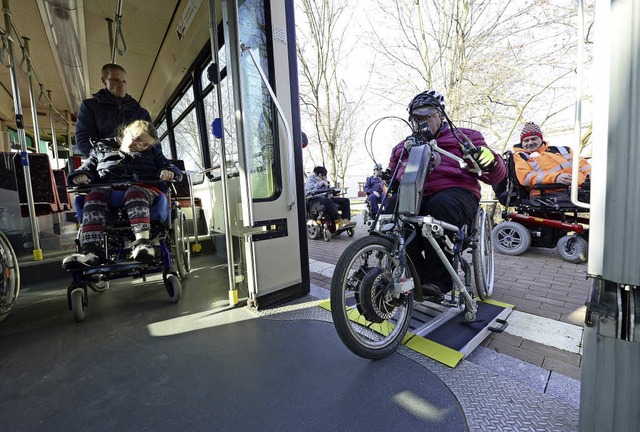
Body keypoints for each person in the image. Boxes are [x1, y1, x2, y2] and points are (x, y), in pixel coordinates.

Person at [387, 90, 506, 300]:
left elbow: (495, 174)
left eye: (427, 116)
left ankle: (437, 281)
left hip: (456, 192)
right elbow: (391, 176)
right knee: (393, 210)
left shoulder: (465, 137)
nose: (422, 122)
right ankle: (415, 276)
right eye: (417, 118)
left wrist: (490, 159)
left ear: (440, 115)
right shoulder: (403, 146)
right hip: (416, 194)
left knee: (440, 207)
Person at [62, 120, 183, 269]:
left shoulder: (152, 153)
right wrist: (80, 175)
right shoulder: (100, 149)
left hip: (143, 189)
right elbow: (87, 167)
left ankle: (142, 244)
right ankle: (90, 251)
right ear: (126, 132)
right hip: (107, 189)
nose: (139, 146)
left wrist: (168, 172)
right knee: (93, 196)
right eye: (137, 139)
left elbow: (172, 168)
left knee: (135, 191)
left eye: (144, 145)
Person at [75, 63, 152, 158]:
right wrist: (100, 160)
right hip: (103, 162)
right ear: (104, 81)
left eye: (124, 81)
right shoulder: (90, 106)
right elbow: (83, 139)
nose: (121, 85)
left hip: (136, 164)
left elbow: (153, 144)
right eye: (115, 80)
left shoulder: (141, 113)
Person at [513, 121, 591, 198]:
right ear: (521, 143)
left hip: (581, 188)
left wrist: (593, 179)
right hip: (548, 193)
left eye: (534, 139)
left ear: (541, 139)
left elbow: (584, 166)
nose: (530, 143)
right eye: (526, 140)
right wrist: (556, 178)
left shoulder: (563, 150)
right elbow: (526, 178)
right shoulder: (521, 156)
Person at [305, 166, 355, 230]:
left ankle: (346, 220)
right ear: (320, 174)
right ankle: (338, 221)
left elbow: (326, 189)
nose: (324, 177)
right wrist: (321, 183)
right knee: (328, 201)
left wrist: (332, 191)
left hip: (325, 197)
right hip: (314, 199)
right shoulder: (310, 179)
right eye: (323, 175)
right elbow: (311, 190)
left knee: (345, 200)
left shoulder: (323, 179)